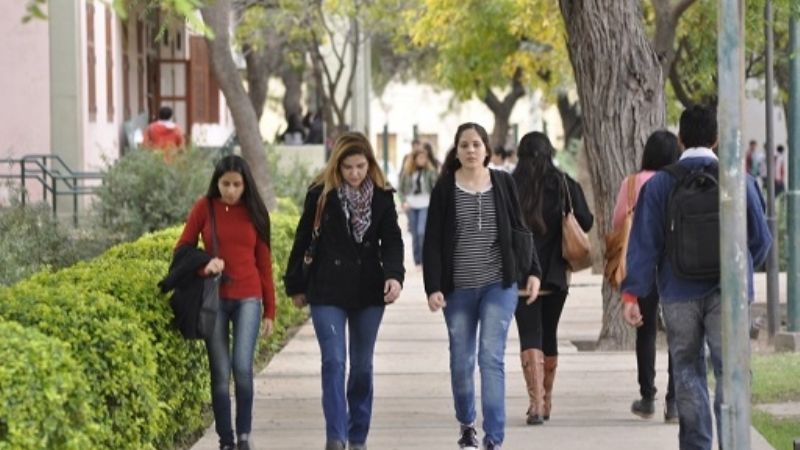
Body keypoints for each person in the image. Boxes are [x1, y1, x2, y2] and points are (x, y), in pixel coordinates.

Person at [621, 105, 771, 450]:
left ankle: (696, 445)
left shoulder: (660, 184)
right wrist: (740, 273)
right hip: (727, 294)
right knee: (730, 372)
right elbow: (760, 240)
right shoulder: (739, 179)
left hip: (677, 292)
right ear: (717, 138)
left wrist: (632, 295)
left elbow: (645, 244)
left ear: (680, 138)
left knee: (687, 371)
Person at [424, 122, 542, 450]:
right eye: (465, 145)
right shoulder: (445, 188)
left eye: (477, 144)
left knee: (491, 358)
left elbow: (521, 230)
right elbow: (432, 242)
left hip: (498, 286)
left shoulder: (503, 183)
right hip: (457, 290)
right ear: (457, 151)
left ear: (487, 149)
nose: (471, 150)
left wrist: (533, 271)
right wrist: (433, 286)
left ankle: (494, 438)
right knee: (462, 363)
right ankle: (467, 423)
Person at [283, 132, 405, 450]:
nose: (354, 173)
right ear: (337, 165)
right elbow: (302, 238)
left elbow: (392, 240)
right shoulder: (320, 194)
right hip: (327, 290)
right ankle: (335, 436)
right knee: (334, 362)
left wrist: (394, 276)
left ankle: (357, 435)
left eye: (360, 166)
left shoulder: (382, 196)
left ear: (370, 164)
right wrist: (295, 285)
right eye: (347, 167)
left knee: (362, 366)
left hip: (368, 291)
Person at [175, 155, 275, 450]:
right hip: (214, 299)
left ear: (246, 184)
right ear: (216, 182)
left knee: (242, 368)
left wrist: (270, 309)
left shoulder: (255, 212)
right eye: (225, 184)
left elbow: (264, 265)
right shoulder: (203, 208)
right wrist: (204, 266)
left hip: (248, 297)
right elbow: (182, 248)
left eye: (237, 184)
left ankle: (244, 435)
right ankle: (226, 440)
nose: (231, 190)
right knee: (220, 372)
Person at [509, 131, 593, 426]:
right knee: (549, 333)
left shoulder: (510, 185)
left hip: (520, 275)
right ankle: (547, 400)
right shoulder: (564, 184)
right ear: (550, 153)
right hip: (556, 273)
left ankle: (535, 404)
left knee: (529, 333)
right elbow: (586, 220)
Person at [610, 130, 680, 422]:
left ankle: (647, 396)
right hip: (677, 265)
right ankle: (674, 401)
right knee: (679, 333)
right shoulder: (678, 181)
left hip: (643, 266)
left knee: (646, 329)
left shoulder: (631, 184)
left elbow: (617, 222)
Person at [398, 143, 438, 268]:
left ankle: (424, 258)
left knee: (422, 232)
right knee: (415, 233)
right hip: (411, 205)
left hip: (425, 204)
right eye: (420, 158)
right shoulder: (407, 172)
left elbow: (435, 188)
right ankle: (417, 260)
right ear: (414, 159)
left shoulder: (430, 171)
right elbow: (400, 189)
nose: (422, 160)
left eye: (424, 158)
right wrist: (403, 201)